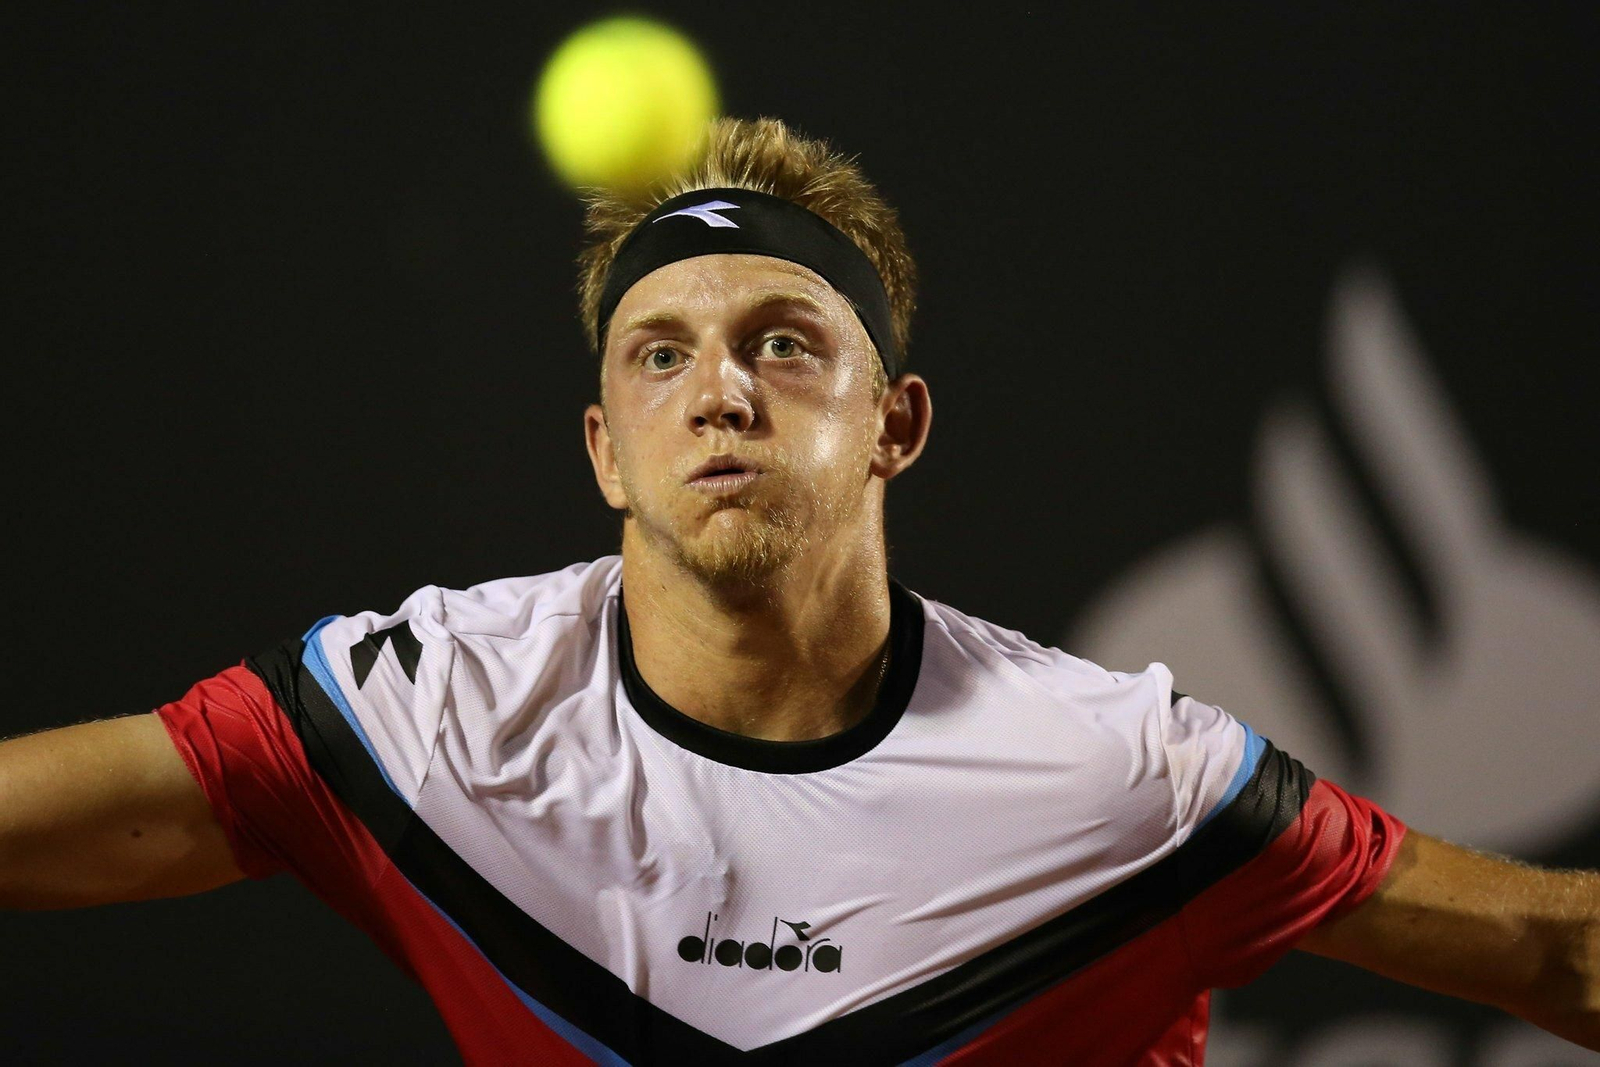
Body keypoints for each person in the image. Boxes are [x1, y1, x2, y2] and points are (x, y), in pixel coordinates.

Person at [1, 117, 1595, 1065]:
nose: (722, 395)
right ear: (605, 448)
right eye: (661, 355)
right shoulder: (427, 722)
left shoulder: (1119, 775)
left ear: (891, 422)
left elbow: (1552, 956)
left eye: (785, 341)